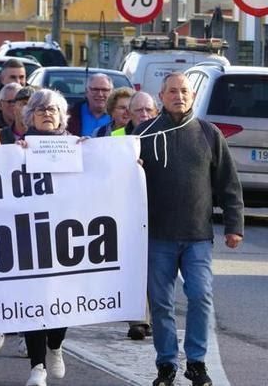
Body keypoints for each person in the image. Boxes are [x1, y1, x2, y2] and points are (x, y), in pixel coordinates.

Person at [135, 73, 243, 386]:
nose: (178, 96)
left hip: (197, 236)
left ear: (192, 96)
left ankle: (196, 363)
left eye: (184, 91)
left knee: (200, 296)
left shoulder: (209, 134)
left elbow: (229, 184)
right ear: (161, 95)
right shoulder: (143, 134)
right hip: (157, 236)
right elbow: (119, 176)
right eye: (172, 91)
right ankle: (166, 365)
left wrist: (234, 225)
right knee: (161, 304)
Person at [15, 88, 74, 386]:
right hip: (28, 237)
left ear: (62, 116)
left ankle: (55, 345)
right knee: (33, 302)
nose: (47, 113)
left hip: (65, 237)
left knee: (61, 301)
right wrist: (15, 155)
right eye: (40, 109)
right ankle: (37, 366)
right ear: (30, 116)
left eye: (52, 109)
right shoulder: (16, 148)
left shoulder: (76, 146)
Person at [124, 90, 160, 342]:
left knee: (156, 268)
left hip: (156, 212)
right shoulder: (115, 137)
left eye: (149, 110)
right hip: (125, 213)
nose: (145, 115)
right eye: (139, 111)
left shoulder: (163, 137)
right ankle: (138, 319)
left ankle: (156, 318)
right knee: (133, 268)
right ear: (129, 114)